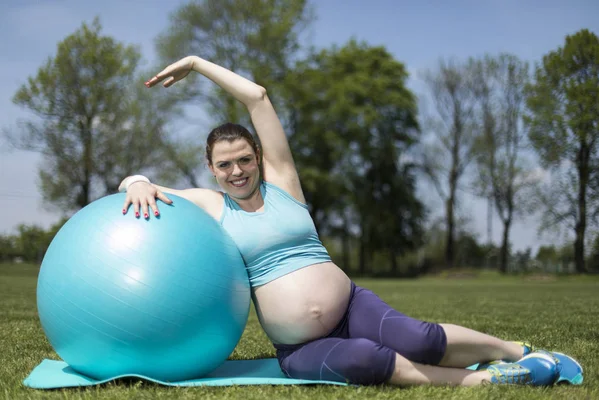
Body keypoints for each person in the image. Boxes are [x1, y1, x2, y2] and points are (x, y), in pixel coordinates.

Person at [118, 55, 560, 387]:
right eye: (225, 165)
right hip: (300, 347)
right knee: (366, 360)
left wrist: (196, 63)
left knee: (420, 338)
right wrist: (136, 180)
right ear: (211, 168)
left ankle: (516, 351)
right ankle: (482, 381)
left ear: (258, 159)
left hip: (351, 304)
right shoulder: (212, 205)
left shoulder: (284, 184)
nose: (237, 171)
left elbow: (257, 97)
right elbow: (138, 186)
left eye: (245, 160)